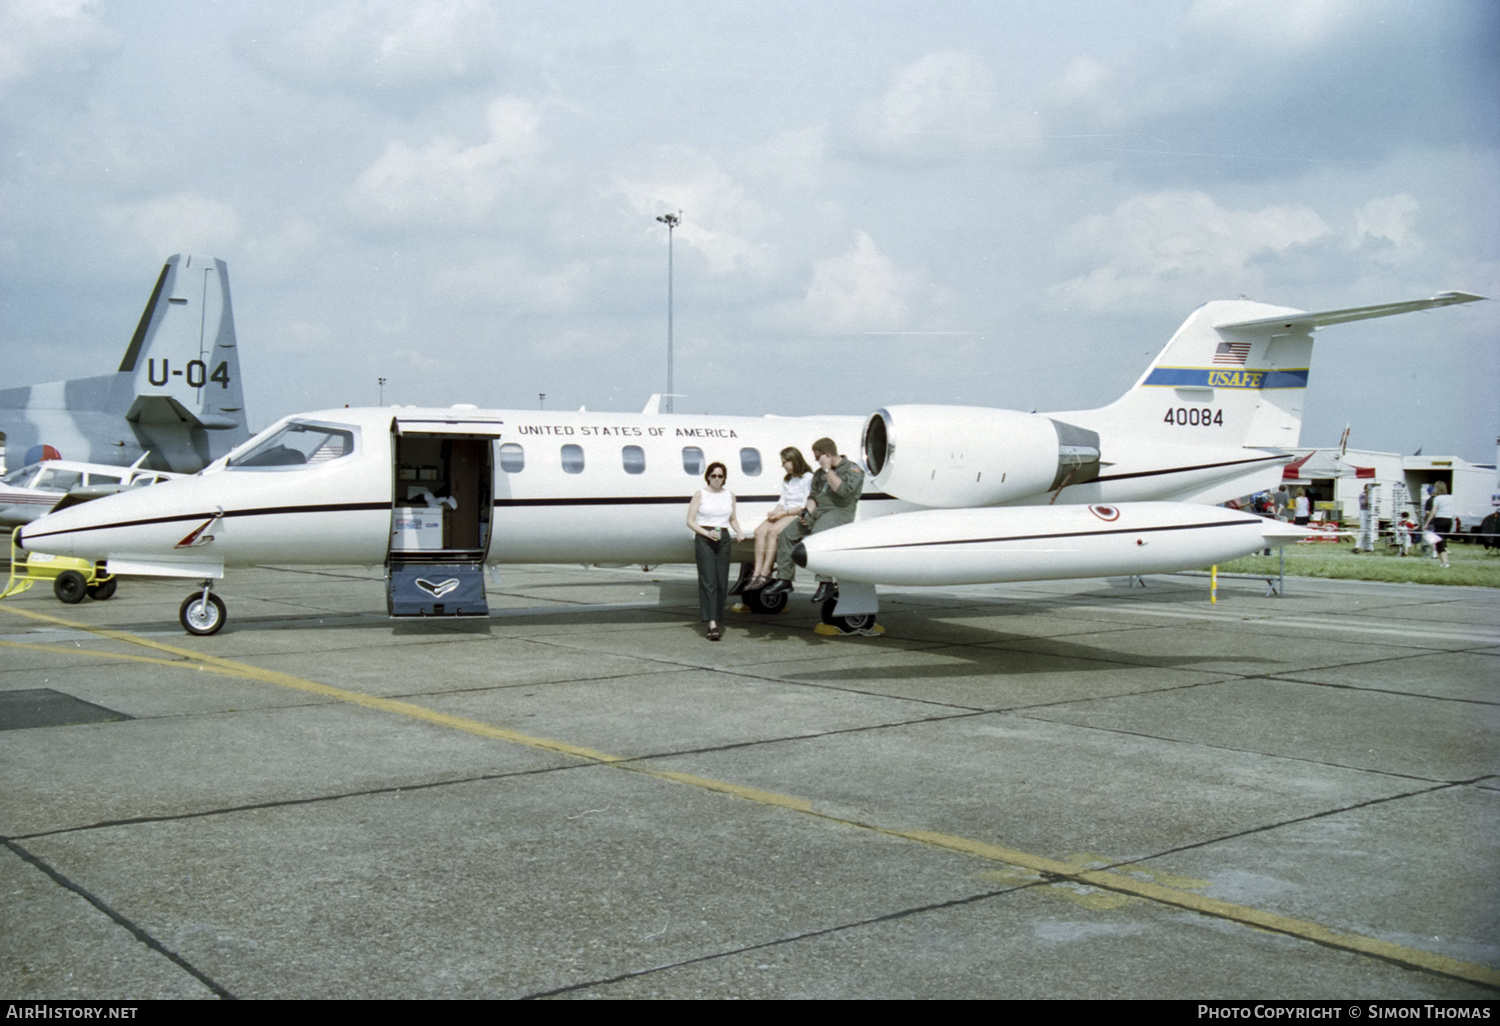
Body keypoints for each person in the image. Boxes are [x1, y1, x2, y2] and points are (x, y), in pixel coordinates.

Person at [763, 437, 864, 603]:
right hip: (818, 511)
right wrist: (806, 513)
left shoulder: (852, 469)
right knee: (787, 533)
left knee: (818, 536)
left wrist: (827, 470)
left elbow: (843, 491)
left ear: (827, 455)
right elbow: (813, 496)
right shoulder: (818, 474)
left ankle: (825, 582)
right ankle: (785, 579)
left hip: (839, 511)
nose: (816, 461)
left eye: (818, 457)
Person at [686, 462, 746, 640]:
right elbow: (690, 521)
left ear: (724, 478)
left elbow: (732, 518)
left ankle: (717, 618)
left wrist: (739, 532)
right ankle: (711, 623)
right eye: (713, 476)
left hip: (723, 537)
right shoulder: (700, 494)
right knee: (709, 581)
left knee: (721, 581)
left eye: (720, 476)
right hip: (706, 537)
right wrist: (706, 533)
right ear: (708, 477)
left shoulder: (730, 495)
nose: (717, 479)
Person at [747, 447, 813, 589]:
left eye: (784, 462)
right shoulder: (788, 479)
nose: (782, 466)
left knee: (773, 532)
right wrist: (775, 511)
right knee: (759, 531)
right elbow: (782, 500)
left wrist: (783, 513)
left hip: (795, 513)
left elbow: (804, 505)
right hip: (784, 511)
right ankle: (756, 572)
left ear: (793, 460)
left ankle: (766, 572)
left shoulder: (808, 478)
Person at [1425, 480, 1454, 568]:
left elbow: (1433, 512)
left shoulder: (1437, 498)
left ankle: (1445, 562)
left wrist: (1427, 523)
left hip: (1440, 520)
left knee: (1439, 542)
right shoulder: (1450, 497)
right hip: (1449, 520)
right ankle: (1445, 561)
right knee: (1443, 541)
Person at [1354, 483, 1375, 553]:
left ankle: (1368, 547)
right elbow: (1364, 503)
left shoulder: (1371, 496)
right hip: (1363, 512)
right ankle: (1357, 546)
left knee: (1368, 530)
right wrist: (1367, 495)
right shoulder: (1362, 495)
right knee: (1363, 530)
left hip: (1369, 513)